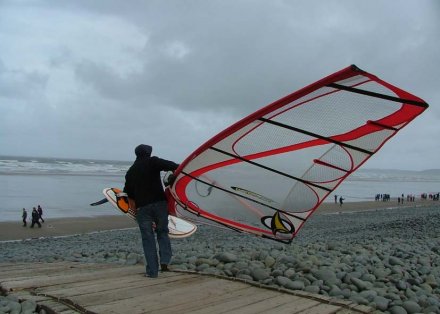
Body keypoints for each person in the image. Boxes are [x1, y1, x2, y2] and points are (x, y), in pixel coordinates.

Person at [124, 144, 179, 278]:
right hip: (159, 204)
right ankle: (165, 262)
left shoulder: (130, 171)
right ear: (148, 153)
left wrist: (134, 210)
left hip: (142, 208)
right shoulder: (153, 161)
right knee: (163, 233)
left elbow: (128, 194)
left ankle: (152, 272)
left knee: (147, 239)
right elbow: (174, 166)